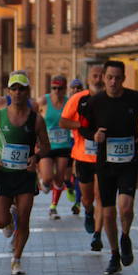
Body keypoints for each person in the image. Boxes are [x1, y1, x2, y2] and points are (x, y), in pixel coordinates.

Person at [80, 60, 138, 275]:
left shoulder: (134, 98)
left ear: (123, 79)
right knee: (109, 214)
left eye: (117, 78)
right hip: (105, 163)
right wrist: (94, 135)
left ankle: (125, 236)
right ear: (103, 77)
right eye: (109, 77)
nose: (113, 82)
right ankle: (114, 254)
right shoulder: (95, 102)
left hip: (129, 161)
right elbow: (83, 127)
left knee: (126, 208)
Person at [0, 72, 50, 275]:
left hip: (25, 175)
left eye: (22, 88)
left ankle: (17, 259)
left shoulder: (36, 119)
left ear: (27, 92)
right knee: (0, 221)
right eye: (14, 88)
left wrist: (36, 158)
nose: (18, 92)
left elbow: (46, 147)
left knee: (24, 218)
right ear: (9, 91)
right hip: (3, 174)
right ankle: (8, 218)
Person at [60, 64, 106, 248]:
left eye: (102, 76)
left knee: (101, 196)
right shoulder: (78, 99)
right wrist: (82, 127)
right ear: (88, 79)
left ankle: (97, 234)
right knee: (88, 199)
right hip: (83, 156)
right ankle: (88, 212)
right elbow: (63, 122)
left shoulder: (110, 100)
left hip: (104, 158)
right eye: (95, 76)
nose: (98, 79)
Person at [38, 75, 74, 219]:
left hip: (63, 144)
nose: (56, 91)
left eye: (60, 89)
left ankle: (53, 207)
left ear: (65, 89)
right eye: (54, 88)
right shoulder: (43, 101)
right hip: (47, 144)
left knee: (60, 179)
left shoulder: (69, 102)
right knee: (48, 178)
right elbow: (31, 113)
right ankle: (43, 181)